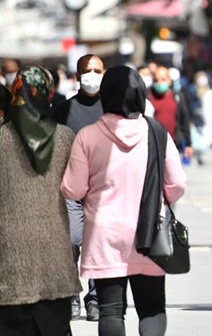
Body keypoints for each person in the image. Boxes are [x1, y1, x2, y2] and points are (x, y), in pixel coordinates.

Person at [61, 66, 187, 335]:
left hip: (104, 235)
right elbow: (176, 184)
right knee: (152, 308)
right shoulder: (157, 132)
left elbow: (72, 189)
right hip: (149, 233)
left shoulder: (88, 136)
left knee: (110, 310)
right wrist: (162, 200)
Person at [0, 65, 81, 336]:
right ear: (48, 94)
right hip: (53, 248)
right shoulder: (66, 137)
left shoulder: (0, 139)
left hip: (9, 251)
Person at [52, 53, 105, 322]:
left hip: (102, 190)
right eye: (87, 71)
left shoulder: (113, 109)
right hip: (71, 189)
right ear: (77, 76)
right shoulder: (63, 110)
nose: (92, 75)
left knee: (96, 245)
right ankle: (71, 292)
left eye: (98, 70)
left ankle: (94, 298)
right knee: (72, 241)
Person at [148, 65, 193, 158]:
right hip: (152, 144)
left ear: (169, 80)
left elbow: (184, 121)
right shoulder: (147, 96)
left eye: (163, 79)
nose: (159, 83)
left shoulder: (177, 97)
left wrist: (188, 144)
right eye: (156, 80)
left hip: (173, 143)